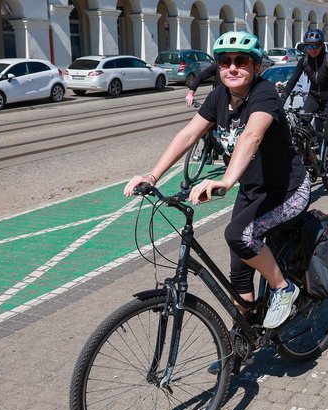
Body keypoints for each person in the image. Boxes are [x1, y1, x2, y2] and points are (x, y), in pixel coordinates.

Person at [123, 31, 309, 330]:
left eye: (241, 61)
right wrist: (153, 174)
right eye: (224, 61)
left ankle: (283, 287)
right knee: (239, 268)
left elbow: (252, 136)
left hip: (287, 190)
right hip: (254, 190)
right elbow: (187, 134)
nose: (232, 68)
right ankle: (244, 333)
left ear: (256, 66)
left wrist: (225, 181)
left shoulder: (264, 94)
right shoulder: (219, 95)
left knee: (239, 235)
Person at [279, 29, 328, 166]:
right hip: (313, 97)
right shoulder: (304, 61)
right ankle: (308, 157)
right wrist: (281, 100)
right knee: (301, 129)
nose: (312, 49)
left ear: (322, 46)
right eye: (309, 46)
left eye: (315, 46)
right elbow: (292, 82)